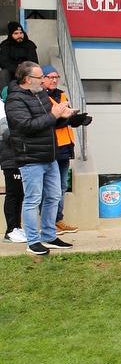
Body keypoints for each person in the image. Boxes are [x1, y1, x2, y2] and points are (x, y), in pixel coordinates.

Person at [6, 61, 77, 256]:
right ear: (28, 79)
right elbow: (27, 126)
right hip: (30, 158)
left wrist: (66, 117)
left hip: (50, 155)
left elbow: (50, 123)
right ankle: (33, 241)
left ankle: (49, 235)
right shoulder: (14, 100)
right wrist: (54, 114)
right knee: (32, 200)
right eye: (40, 77)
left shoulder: (40, 96)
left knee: (53, 196)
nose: (44, 80)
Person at [41, 65, 90, 236]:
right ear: (42, 79)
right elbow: (51, 119)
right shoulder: (41, 97)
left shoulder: (61, 94)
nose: (54, 80)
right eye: (50, 77)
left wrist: (74, 120)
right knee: (51, 188)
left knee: (62, 186)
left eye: (56, 77)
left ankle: (58, 219)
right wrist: (66, 119)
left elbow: (65, 116)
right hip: (52, 145)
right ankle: (49, 223)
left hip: (65, 145)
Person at [0, 98, 25, 243]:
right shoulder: (4, 114)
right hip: (10, 160)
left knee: (19, 194)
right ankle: (10, 230)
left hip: (18, 159)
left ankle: (17, 227)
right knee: (12, 194)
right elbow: (8, 136)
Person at [0, 23, 38, 91]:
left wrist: (23, 69)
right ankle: (5, 96)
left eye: (21, 33)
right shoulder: (5, 45)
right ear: (11, 34)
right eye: (16, 33)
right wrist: (17, 69)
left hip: (27, 72)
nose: (19, 35)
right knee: (4, 73)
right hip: (12, 72)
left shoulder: (29, 45)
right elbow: (4, 62)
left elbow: (33, 62)